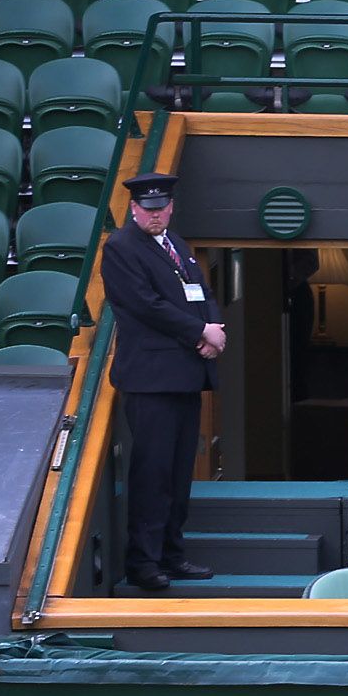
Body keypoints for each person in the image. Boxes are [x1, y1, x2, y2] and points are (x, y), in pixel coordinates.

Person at [96, 172, 225, 595]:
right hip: (150, 379)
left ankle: (172, 553)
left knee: (178, 472)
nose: (156, 214)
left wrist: (212, 325)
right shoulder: (120, 248)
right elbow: (145, 306)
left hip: (185, 375)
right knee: (152, 473)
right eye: (148, 209)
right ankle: (143, 563)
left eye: (162, 208)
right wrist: (199, 333)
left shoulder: (177, 244)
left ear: (170, 207)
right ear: (134, 209)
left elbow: (200, 289)